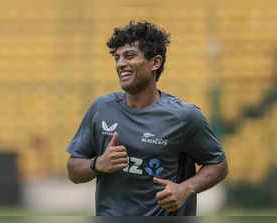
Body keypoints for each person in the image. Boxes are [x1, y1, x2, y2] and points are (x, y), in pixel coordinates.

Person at [66, 21, 228, 216]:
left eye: (130, 56)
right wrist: (97, 164)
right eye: (117, 58)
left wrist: (185, 188)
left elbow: (219, 165)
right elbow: (73, 169)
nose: (120, 64)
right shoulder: (101, 109)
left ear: (155, 62)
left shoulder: (184, 116)